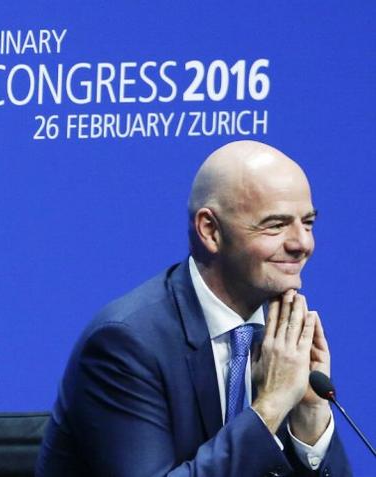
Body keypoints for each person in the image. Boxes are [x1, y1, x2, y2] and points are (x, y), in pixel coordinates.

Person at [35, 141, 351, 476]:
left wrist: (311, 419)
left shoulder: (283, 335)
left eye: (308, 222)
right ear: (210, 231)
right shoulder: (126, 344)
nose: (302, 243)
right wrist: (269, 407)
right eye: (276, 225)